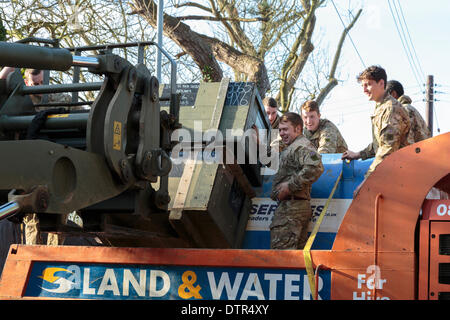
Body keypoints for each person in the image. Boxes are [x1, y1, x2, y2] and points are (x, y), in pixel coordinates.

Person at [342, 65, 411, 182]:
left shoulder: (390, 109)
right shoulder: (381, 107)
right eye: (363, 86)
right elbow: (379, 143)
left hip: (401, 175)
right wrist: (358, 154)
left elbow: (387, 149)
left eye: (368, 84)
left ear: (381, 83)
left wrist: (367, 180)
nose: (364, 90)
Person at [270, 112, 324, 249]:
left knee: (282, 257)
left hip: (292, 209)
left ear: (298, 129)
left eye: (285, 129)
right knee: (292, 259)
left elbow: (316, 167)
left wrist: (289, 186)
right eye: (280, 130)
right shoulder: (292, 147)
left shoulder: (302, 146)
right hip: (292, 207)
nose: (282, 133)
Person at [386, 80, 431, 144]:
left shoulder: (403, 111)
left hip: (414, 152)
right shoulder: (408, 108)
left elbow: (408, 143)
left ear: (393, 94)